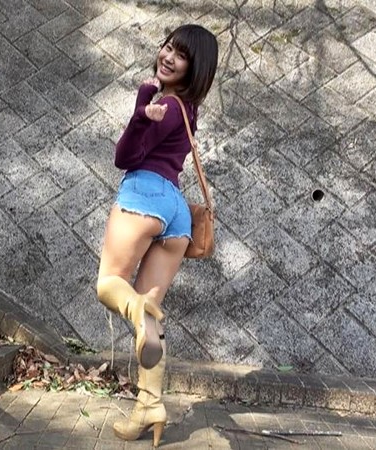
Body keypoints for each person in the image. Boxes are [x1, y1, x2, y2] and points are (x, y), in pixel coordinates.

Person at [95, 24, 219, 447]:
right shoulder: (187, 108)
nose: (168, 56)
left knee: (109, 285)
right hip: (177, 213)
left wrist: (140, 107)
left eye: (180, 55)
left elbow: (125, 156)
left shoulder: (164, 104)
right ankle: (149, 405)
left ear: (194, 68)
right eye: (168, 46)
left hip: (145, 193)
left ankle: (137, 307)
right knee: (149, 317)